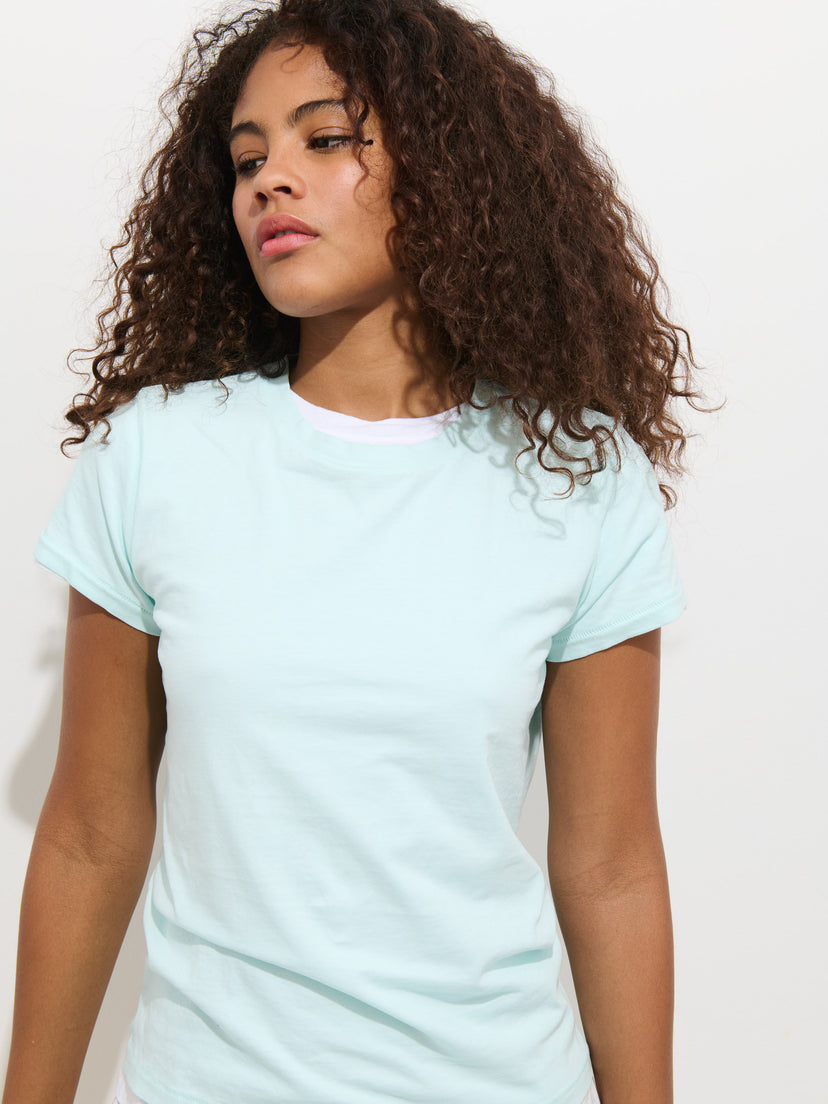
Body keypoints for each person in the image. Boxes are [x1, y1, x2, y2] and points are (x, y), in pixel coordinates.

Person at [3, 1, 709, 1102]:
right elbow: (91, 837)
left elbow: (611, 866)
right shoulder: (156, 457)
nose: (270, 182)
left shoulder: (579, 475)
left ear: (450, 169)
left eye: (325, 138)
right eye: (248, 159)